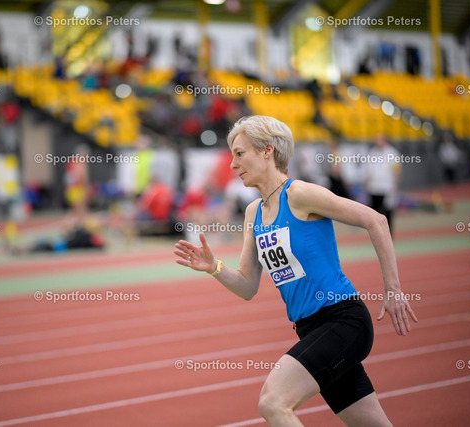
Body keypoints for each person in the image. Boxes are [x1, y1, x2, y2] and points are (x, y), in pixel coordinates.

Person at [174, 116, 417, 426]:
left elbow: (377, 221)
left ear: (267, 151)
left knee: (273, 402)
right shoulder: (253, 213)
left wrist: (393, 290)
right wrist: (214, 267)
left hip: (342, 320)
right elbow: (247, 286)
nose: (233, 165)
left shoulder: (299, 195)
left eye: (240, 153)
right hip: (309, 329)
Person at [366, 134, 401, 236]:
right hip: (374, 188)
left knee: (387, 213)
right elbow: (369, 170)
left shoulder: (392, 153)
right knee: (375, 213)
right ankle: (377, 235)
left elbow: (397, 170)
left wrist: (395, 184)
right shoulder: (372, 152)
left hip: (387, 187)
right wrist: (367, 183)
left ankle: (388, 235)